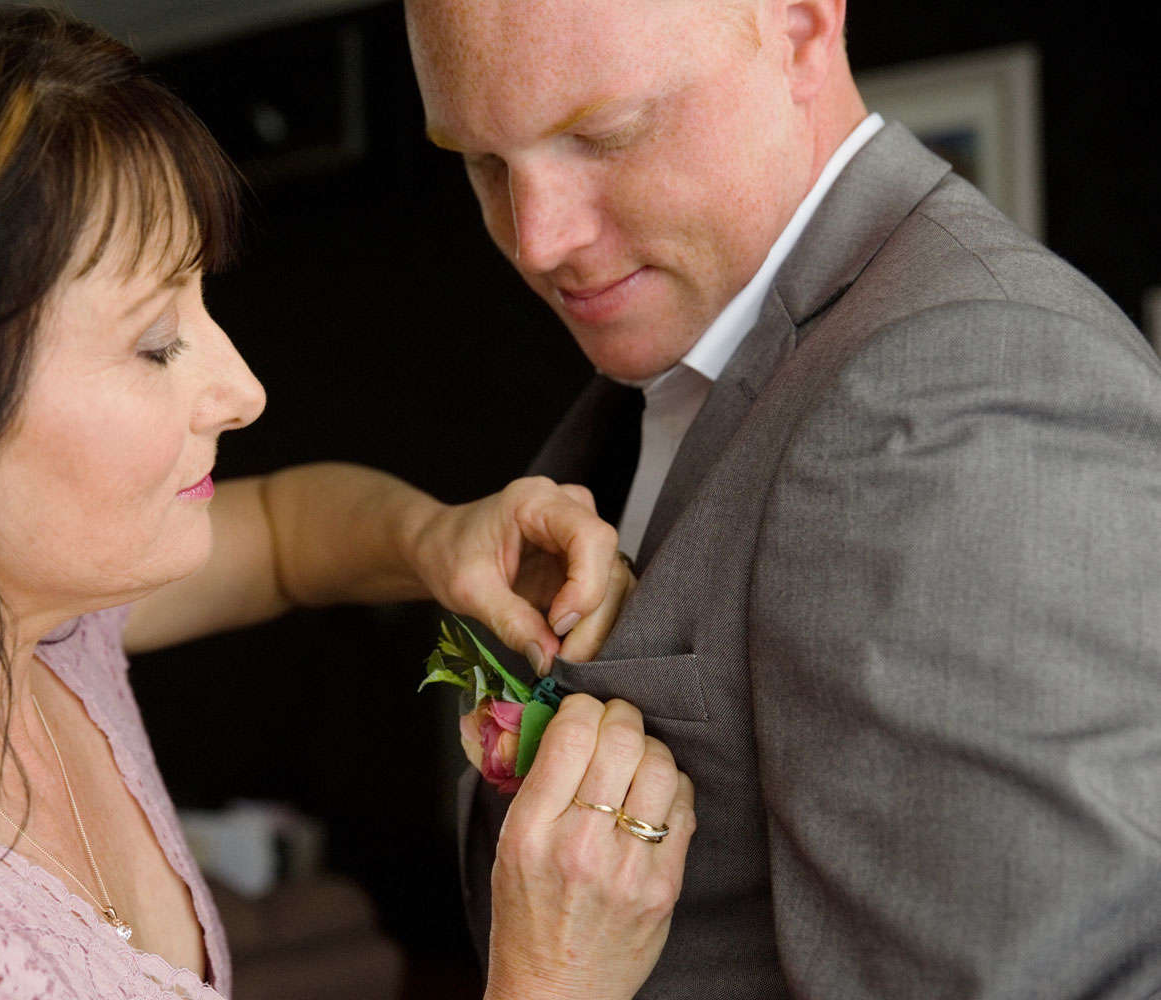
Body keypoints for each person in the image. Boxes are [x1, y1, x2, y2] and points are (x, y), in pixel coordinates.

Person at [0, 3, 698, 998]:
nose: (243, 391)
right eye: (155, 343)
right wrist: (553, 978)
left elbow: (289, 537)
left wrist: (434, 538)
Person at [404, 0, 1161, 996]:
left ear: (802, 30)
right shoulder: (668, 367)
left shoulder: (967, 382)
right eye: (482, 164)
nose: (538, 239)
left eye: (603, 135)